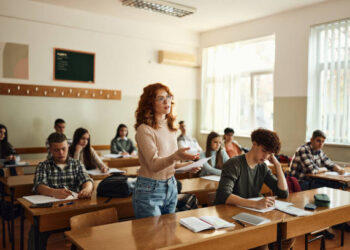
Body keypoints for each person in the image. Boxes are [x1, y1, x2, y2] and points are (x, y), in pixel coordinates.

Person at [215, 128, 293, 250]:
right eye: (264, 151)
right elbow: (223, 195)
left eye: (270, 154)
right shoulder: (234, 164)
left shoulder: (262, 167)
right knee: (262, 242)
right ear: (254, 144)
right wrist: (255, 204)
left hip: (253, 215)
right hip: (232, 216)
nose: (266, 156)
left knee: (288, 234)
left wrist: (277, 165)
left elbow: (283, 193)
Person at [133, 83, 200, 219]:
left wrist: (188, 167)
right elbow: (154, 165)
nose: (166, 101)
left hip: (171, 186)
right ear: (150, 103)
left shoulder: (171, 128)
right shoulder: (144, 130)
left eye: (168, 97)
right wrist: (175, 156)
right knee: (152, 238)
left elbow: (171, 165)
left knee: (168, 237)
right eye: (160, 98)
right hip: (149, 189)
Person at [28, 132, 93, 250]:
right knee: (36, 229)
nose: (61, 153)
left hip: (75, 210)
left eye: (63, 149)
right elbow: (39, 186)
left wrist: (87, 189)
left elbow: (87, 180)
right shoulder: (43, 166)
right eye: (56, 150)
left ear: (68, 147)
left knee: (91, 229)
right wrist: (54, 192)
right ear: (50, 150)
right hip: (52, 212)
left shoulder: (77, 164)